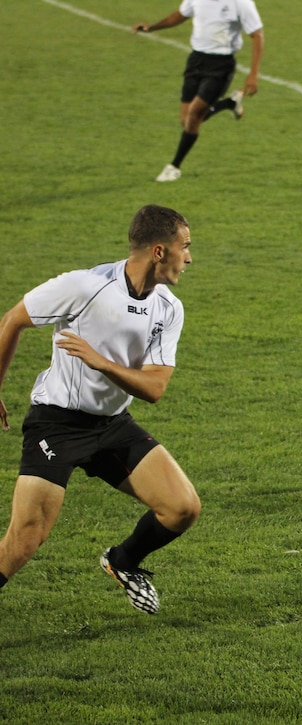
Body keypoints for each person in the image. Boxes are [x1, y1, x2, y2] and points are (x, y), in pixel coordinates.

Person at [0, 205, 199, 615]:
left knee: (182, 508)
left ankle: (123, 561)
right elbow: (12, 321)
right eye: (186, 247)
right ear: (159, 251)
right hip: (57, 424)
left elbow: (155, 387)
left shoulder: (168, 307)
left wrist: (101, 362)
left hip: (111, 425)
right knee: (24, 541)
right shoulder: (84, 286)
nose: (190, 257)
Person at [132, 0, 265, 182]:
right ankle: (230, 103)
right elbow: (180, 14)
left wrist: (253, 74)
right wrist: (151, 28)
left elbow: (257, 34)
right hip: (196, 60)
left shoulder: (240, 2)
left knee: (194, 115)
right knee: (186, 120)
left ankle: (174, 167)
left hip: (221, 65)